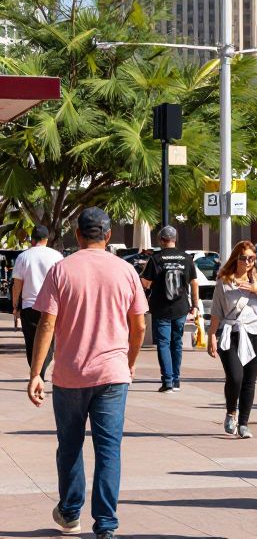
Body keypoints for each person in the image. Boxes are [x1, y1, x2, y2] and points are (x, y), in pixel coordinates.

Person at [26, 207, 148, 539]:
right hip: (113, 374)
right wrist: (130, 361)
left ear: (78, 235)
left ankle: (69, 512)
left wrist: (36, 372)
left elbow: (47, 323)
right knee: (109, 449)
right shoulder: (126, 271)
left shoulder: (60, 270)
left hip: (70, 374)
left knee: (70, 445)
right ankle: (106, 525)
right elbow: (139, 325)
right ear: (108, 236)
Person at [207, 240, 257, 440]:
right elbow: (216, 312)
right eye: (244, 258)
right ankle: (231, 413)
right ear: (236, 258)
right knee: (235, 377)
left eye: (252, 258)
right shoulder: (224, 281)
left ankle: (244, 423)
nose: (248, 262)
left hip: (254, 332)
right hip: (230, 333)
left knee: (249, 381)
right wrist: (211, 335)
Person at [141, 226, 200, 393]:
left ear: (161, 240)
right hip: (181, 307)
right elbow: (194, 283)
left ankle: (167, 381)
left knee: (164, 344)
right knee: (177, 343)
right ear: (175, 239)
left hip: (161, 308)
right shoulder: (186, 258)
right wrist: (195, 305)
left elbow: (144, 283)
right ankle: (176, 380)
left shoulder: (156, 259)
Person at [11, 225, 62, 381]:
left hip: (29, 306)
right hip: (51, 306)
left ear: (32, 240)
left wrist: (15, 305)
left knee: (31, 342)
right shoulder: (57, 256)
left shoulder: (23, 257)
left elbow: (17, 285)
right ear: (46, 240)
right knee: (49, 342)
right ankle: (41, 372)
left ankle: (37, 373)